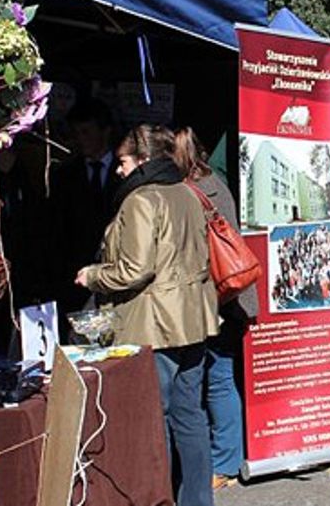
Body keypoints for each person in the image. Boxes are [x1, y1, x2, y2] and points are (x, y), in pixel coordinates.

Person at [76, 124, 218, 506]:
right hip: (192, 320)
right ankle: (198, 500)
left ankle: (160, 497)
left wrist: (93, 275)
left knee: (156, 421)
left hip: (156, 326)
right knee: (191, 419)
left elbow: (135, 268)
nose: (118, 170)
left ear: (143, 160)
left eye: (123, 161)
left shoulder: (142, 200)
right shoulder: (187, 192)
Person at [173, 127, 250, 490]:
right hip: (227, 298)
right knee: (219, 379)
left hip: (208, 299)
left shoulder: (188, 192)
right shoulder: (215, 181)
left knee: (207, 381)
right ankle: (226, 459)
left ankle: (219, 462)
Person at [49, 98, 119, 327]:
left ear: (105, 132)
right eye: (76, 133)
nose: (80, 139)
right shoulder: (64, 177)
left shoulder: (125, 174)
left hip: (115, 275)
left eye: (86, 132)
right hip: (75, 280)